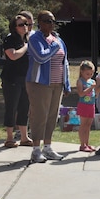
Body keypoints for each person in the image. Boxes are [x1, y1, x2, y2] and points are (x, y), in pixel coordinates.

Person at [26, 10, 71, 163]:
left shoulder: (58, 39)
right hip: (40, 84)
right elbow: (41, 56)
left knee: (52, 116)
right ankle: (36, 150)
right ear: (40, 23)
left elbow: (65, 62)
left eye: (52, 21)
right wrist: (53, 46)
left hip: (57, 84)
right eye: (47, 21)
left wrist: (67, 84)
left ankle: (48, 147)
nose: (51, 24)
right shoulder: (34, 38)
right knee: (40, 116)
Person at [1, 14, 33, 148]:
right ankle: (9, 137)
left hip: (25, 78)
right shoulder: (10, 39)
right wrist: (26, 46)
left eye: (26, 24)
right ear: (14, 27)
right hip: (11, 78)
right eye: (21, 24)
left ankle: (24, 137)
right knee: (11, 107)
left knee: (24, 107)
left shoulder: (27, 39)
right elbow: (12, 55)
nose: (24, 27)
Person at [76, 60, 97, 152]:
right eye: (87, 73)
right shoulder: (80, 81)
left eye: (91, 73)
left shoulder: (92, 81)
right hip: (83, 105)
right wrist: (91, 88)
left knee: (88, 125)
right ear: (82, 72)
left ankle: (87, 144)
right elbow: (81, 94)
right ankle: (82, 144)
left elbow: (94, 93)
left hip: (91, 105)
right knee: (83, 125)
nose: (89, 75)